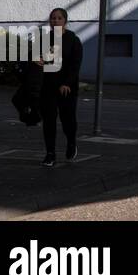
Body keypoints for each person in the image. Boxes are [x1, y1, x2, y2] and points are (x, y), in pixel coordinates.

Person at [38, 8, 83, 167]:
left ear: (65, 21)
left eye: (59, 18)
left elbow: (75, 65)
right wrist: (38, 60)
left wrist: (67, 83)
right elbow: (40, 59)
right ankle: (50, 153)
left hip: (67, 87)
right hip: (48, 86)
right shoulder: (45, 39)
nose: (55, 21)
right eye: (52, 18)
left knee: (67, 120)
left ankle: (71, 142)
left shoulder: (73, 39)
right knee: (49, 121)